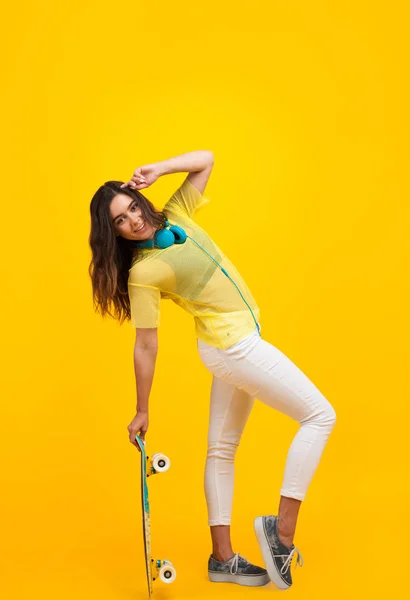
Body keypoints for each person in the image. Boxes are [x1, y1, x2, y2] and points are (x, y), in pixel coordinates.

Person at [88, 150, 336, 590]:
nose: (132, 221)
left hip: (228, 345)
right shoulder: (143, 274)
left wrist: (158, 169)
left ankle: (222, 559)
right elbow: (146, 344)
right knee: (320, 416)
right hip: (233, 345)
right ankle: (282, 534)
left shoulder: (177, 212)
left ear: (141, 200)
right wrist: (142, 409)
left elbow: (206, 159)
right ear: (114, 235)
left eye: (131, 208)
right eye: (120, 222)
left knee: (222, 450)